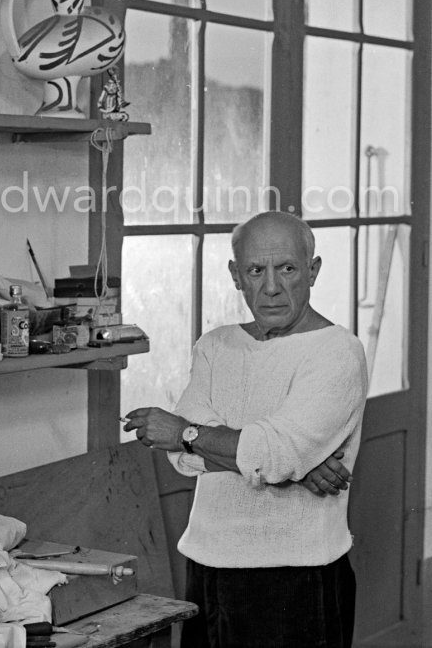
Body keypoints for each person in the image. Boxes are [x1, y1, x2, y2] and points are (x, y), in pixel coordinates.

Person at [123, 210, 368, 648]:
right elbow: (185, 462)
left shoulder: (337, 352)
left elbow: (247, 449)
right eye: (256, 270)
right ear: (237, 276)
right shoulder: (216, 346)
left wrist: (189, 432)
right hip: (208, 565)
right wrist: (295, 467)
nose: (271, 287)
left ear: (312, 271)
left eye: (287, 269)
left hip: (297, 576)